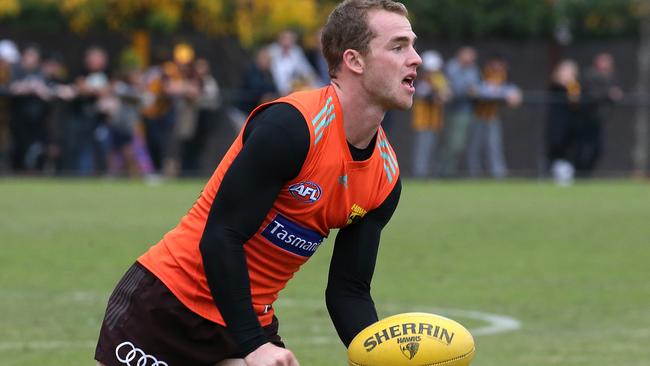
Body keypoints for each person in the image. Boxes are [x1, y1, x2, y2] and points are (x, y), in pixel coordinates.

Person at [94, 0, 421, 365]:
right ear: (354, 61)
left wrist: (383, 358)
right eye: (398, 46)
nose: (416, 58)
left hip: (244, 323)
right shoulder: (293, 128)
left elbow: (349, 290)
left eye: (412, 44)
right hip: (167, 309)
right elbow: (221, 237)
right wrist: (255, 347)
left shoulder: (385, 178)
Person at [466, 57, 522, 178]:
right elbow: (473, 90)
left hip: (492, 117)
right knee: (474, 147)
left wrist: (503, 93)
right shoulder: (480, 74)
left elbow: (513, 94)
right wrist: (490, 91)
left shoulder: (504, 76)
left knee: (494, 147)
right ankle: (473, 174)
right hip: (478, 116)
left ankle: (498, 174)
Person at [577, 52, 623, 177]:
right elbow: (590, 94)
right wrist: (608, 94)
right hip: (587, 118)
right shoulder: (589, 75)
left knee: (598, 148)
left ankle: (585, 173)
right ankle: (580, 173)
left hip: (601, 119)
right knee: (583, 147)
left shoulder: (612, 76)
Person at [438, 46, 480, 178]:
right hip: (451, 110)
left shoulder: (474, 69)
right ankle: (444, 172)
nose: (470, 59)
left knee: (461, 144)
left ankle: (449, 172)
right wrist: (466, 90)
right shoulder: (451, 67)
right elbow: (450, 88)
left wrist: (475, 91)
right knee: (452, 144)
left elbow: (477, 87)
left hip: (467, 111)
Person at [410, 50, 450, 178]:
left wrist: (441, 95)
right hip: (422, 120)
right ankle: (420, 174)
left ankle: (430, 173)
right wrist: (439, 95)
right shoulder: (419, 79)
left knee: (432, 148)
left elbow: (446, 94)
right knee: (422, 148)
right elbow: (427, 95)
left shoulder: (439, 78)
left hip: (435, 120)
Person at [545, 59, 581, 185]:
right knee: (555, 147)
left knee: (569, 148)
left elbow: (575, 101)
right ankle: (552, 173)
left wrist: (570, 85)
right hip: (556, 124)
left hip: (571, 124)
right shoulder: (555, 86)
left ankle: (567, 174)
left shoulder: (575, 87)